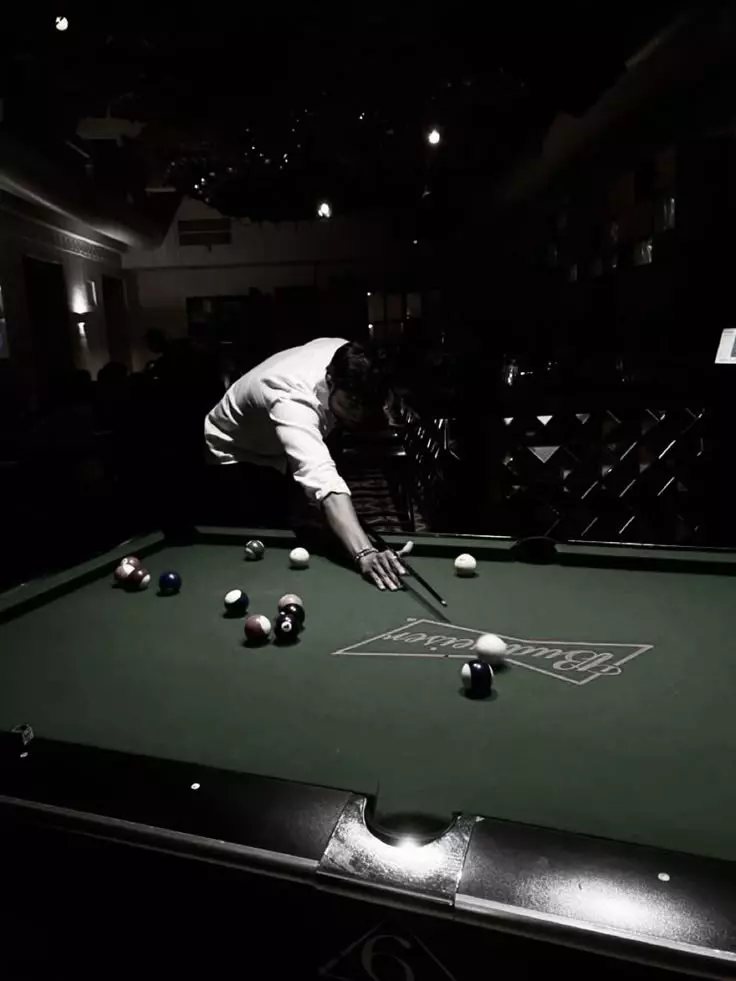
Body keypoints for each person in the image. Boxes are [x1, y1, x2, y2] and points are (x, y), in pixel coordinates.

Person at [204, 337, 405, 591]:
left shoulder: (352, 359)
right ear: (330, 381)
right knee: (268, 528)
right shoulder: (292, 399)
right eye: (353, 403)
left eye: (366, 405)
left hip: (281, 439)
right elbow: (320, 476)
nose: (359, 414)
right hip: (238, 449)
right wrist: (365, 552)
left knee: (309, 509)